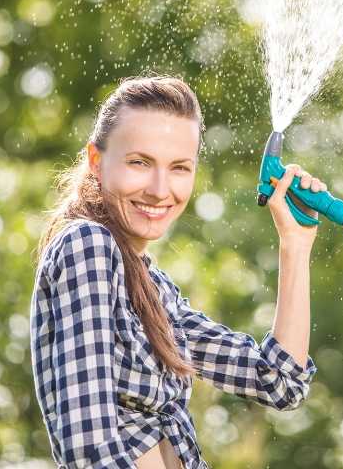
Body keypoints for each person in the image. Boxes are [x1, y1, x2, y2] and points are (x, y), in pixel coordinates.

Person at [30, 75, 327, 468]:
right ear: (96, 161)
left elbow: (280, 381)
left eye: (179, 168)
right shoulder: (86, 245)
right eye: (140, 162)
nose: (159, 189)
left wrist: (295, 244)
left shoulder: (156, 294)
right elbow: (91, 448)